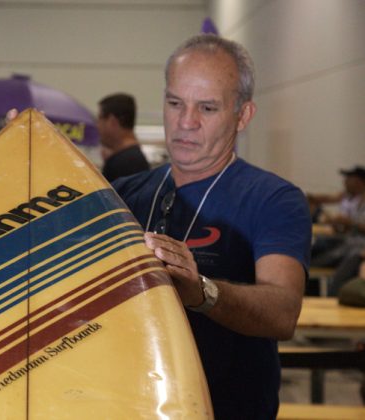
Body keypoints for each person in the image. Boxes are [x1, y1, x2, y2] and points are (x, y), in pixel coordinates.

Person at [113, 34, 311, 418]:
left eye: (207, 108)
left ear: (243, 115)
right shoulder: (120, 195)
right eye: (175, 103)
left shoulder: (273, 199)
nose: (186, 122)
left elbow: (283, 311)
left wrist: (202, 291)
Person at [308, 166, 365, 295]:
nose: (344, 182)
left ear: (359, 181)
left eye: (348, 179)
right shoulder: (353, 199)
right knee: (322, 243)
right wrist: (339, 224)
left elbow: (354, 226)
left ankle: (332, 294)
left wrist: (349, 223)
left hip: (357, 246)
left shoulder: (353, 199)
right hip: (349, 241)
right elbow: (348, 228)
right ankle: (304, 267)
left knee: (346, 253)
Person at [96, 93, 150, 182]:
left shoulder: (123, 163)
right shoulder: (133, 159)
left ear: (112, 121)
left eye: (100, 118)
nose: (97, 125)